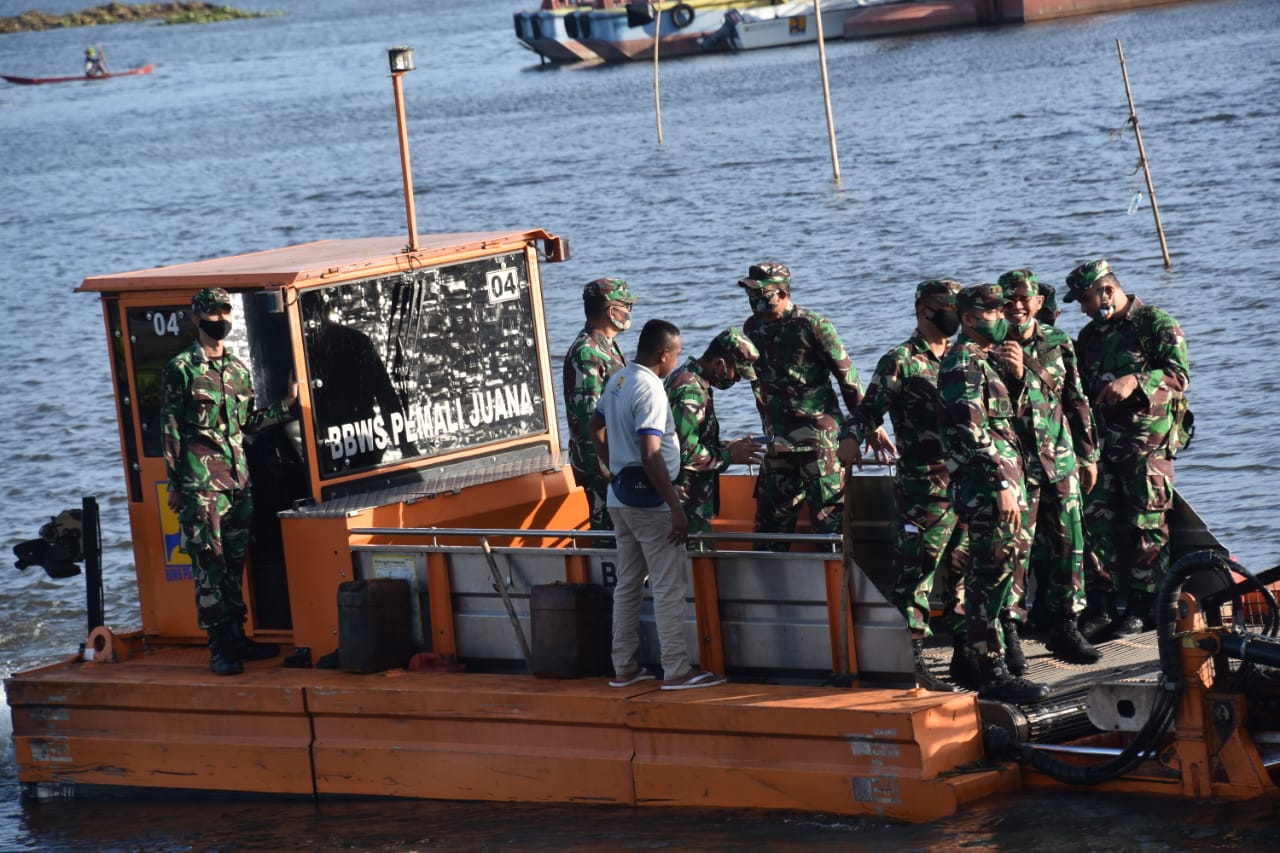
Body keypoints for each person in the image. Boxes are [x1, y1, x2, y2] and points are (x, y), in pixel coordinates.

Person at [837, 279, 967, 692]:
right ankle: (910, 660)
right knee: (917, 576)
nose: (954, 316)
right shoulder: (901, 362)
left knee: (966, 571)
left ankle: (969, 656)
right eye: (946, 307)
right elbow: (866, 411)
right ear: (923, 310)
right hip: (923, 487)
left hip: (968, 483)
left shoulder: (966, 356)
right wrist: (852, 437)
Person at [162, 288, 298, 675]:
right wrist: (175, 483)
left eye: (224, 311)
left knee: (234, 563)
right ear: (195, 318)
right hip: (200, 485)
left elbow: (248, 423)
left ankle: (237, 637)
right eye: (211, 313)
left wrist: (287, 404)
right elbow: (170, 428)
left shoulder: (237, 369)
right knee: (209, 565)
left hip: (238, 483)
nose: (218, 319)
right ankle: (219, 648)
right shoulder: (182, 368)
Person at [589, 319, 725, 690]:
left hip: (620, 497)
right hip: (649, 502)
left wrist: (611, 468)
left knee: (629, 583)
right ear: (664, 354)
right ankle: (677, 670)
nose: (676, 360)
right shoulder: (649, 388)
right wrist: (675, 506)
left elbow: (595, 425)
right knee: (668, 585)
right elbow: (651, 453)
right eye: (676, 354)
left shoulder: (618, 379)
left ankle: (624, 667)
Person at [1065, 259, 1191, 636]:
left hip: (1146, 445)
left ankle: (1144, 607)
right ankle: (1100, 605)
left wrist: (1135, 380)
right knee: (1094, 520)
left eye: (1085, 299)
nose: (1083, 308)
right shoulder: (1090, 337)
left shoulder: (1155, 324)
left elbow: (1178, 377)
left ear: (1107, 290)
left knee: (1147, 522)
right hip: (1102, 445)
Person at [939, 284, 1049, 703]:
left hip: (1007, 484)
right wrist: (1001, 484)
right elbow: (971, 431)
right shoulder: (963, 362)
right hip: (990, 490)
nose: (1003, 317)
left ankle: (973, 660)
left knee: (1002, 572)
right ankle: (992, 672)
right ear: (968, 318)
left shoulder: (987, 360)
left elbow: (1009, 423)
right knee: (990, 577)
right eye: (993, 312)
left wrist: (1018, 375)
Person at [739, 262, 890, 547]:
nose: (755, 301)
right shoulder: (752, 328)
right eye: (751, 294)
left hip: (819, 443)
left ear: (783, 293)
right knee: (769, 531)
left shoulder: (813, 325)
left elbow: (848, 379)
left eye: (763, 294)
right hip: (778, 443)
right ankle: (770, 590)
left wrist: (870, 425)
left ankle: (835, 591)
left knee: (829, 528)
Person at [998, 269, 1101, 665]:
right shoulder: (986, 348)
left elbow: (1076, 399)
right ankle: (1008, 631)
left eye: (1025, 299)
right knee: (1014, 552)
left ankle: (1065, 626)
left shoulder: (1058, 343)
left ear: (1039, 303)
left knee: (1068, 546)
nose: (1018, 307)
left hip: (1059, 460)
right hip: (1017, 467)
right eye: (1009, 301)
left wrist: (1088, 455)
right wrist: (1015, 375)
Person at [665, 328, 764, 546]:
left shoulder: (692, 378)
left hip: (692, 501)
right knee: (693, 567)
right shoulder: (689, 390)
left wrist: (729, 446)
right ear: (719, 363)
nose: (737, 380)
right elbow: (684, 453)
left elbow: (692, 440)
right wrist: (729, 457)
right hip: (686, 503)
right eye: (736, 373)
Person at [563, 277, 639, 531]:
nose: (629, 312)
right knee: (611, 537)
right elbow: (588, 419)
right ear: (611, 310)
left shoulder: (606, 346)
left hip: (615, 459)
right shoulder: (588, 352)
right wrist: (607, 471)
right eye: (627, 306)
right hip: (601, 467)